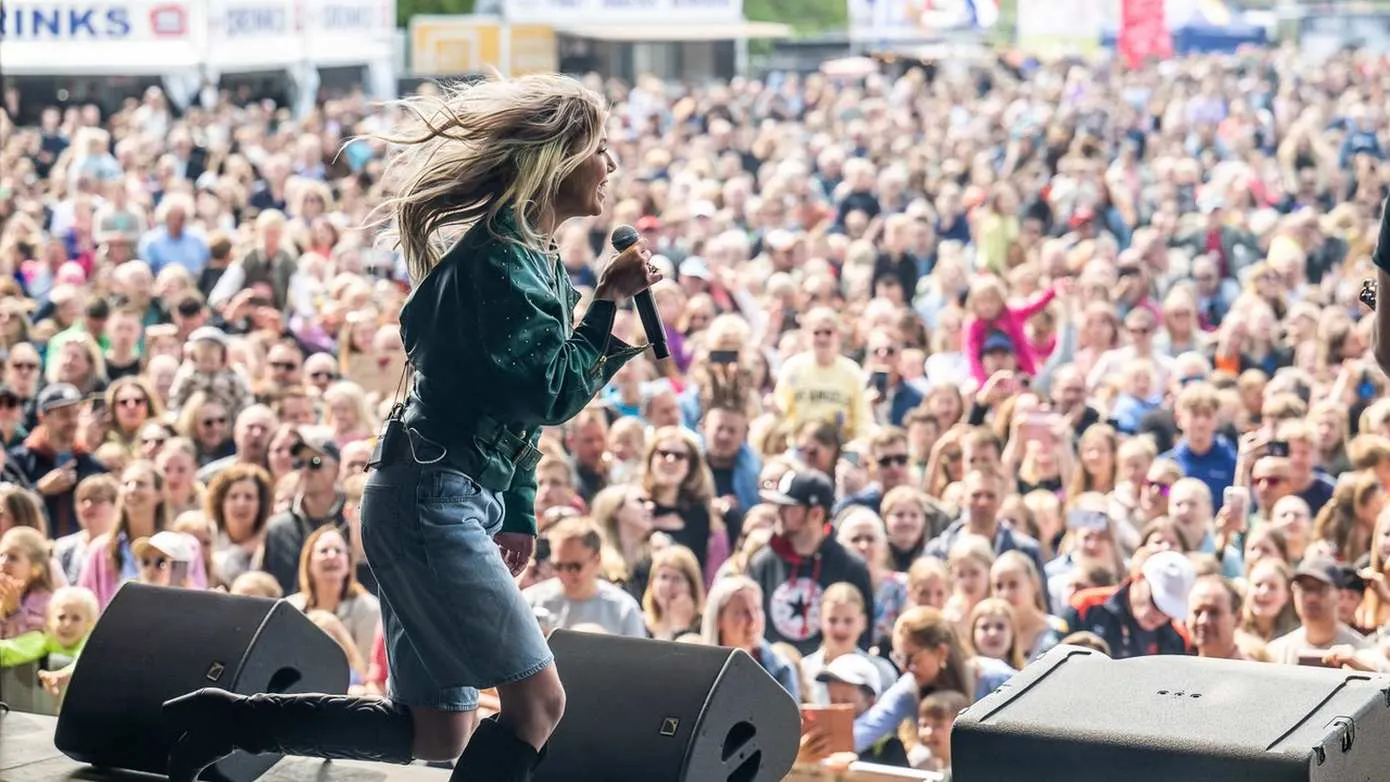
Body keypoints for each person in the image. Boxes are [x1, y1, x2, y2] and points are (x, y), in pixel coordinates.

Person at [161, 73, 659, 782]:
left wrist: (516, 510)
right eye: (599, 148)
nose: (611, 165)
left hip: (425, 491)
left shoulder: (535, 257)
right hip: (431, 498)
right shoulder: (501, 263)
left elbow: (511, 410)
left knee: (440, 725)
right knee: (538, 704)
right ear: (556, 157)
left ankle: (232, 720)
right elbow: (550, 393)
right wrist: (608, 302)